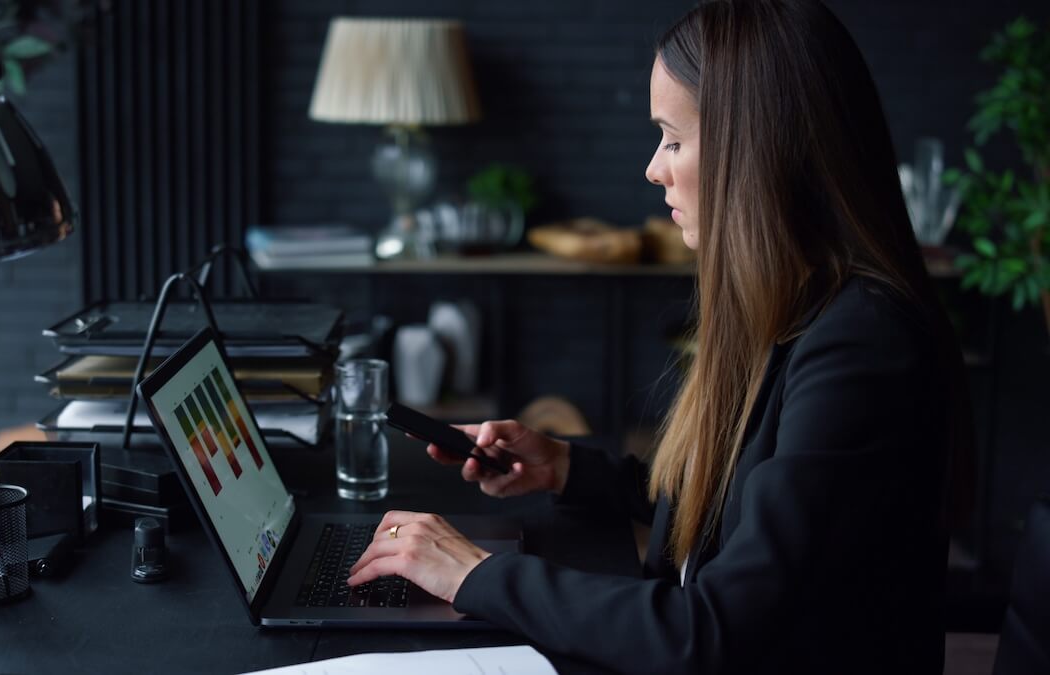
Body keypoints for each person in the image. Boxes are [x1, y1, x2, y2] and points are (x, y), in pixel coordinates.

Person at [347, 1, 974, 672]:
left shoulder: (864, 345)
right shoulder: (799, 303)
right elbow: (741, 513)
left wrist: (473, 574)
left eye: (673, 138)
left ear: (753, 149)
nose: (654, 168)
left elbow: (721, 629)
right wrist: (567, 468)